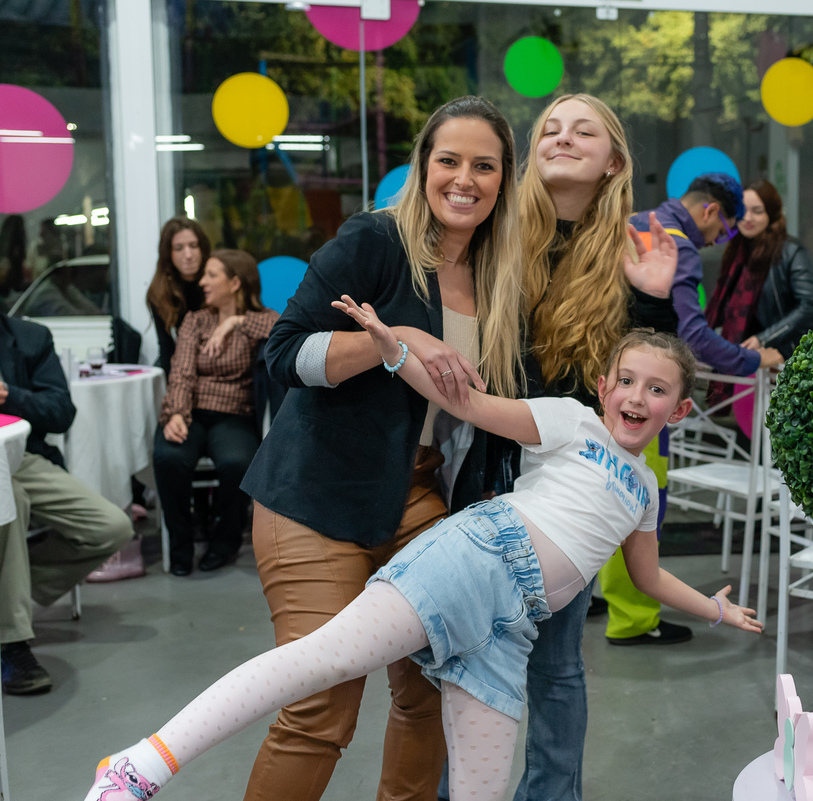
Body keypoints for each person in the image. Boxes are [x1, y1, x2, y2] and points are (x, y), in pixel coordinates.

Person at [80, 326, 763, 801]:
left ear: (681, 406)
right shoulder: (571, 420)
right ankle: (138, 766)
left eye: (657, 389)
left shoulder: (646, 489)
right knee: (320, 660)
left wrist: (717, 608)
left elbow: (646, 575)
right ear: (602, 383)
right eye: (628, 381)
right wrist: (396, 348)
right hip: (477, 557)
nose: (638, 399)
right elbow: (467, 402)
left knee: (479, 787)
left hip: (511, 630)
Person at [235, 96, 526, 801]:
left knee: (432, 686)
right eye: (448, 160)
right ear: (423, 167)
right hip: (317, 495)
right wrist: (388, 341)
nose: (465, 178)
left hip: (420, 497)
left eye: (484, 165)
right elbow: (283, 353)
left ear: (503, 180)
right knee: (320, 704)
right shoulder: (374, 243)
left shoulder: (500, 275)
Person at [503, 93, 681, 801]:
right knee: (459, 659)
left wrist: (655, 302)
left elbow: (646, 377)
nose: (563, 136)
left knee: (554, 663)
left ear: (614, 162)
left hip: (569, 491)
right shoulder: (494, 238)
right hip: (483, 470)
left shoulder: (634, 250)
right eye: (550, 127)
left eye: (584, 130)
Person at [0, 315, 134, 695]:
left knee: (113, 527)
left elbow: (60, 412)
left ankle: (10, 600)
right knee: (11, 503)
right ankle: (12, 643)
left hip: (18, 455)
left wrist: (10, 395)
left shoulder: (28, 337)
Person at [153, 249, 278, 576]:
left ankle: (224, 542)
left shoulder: (262, 318)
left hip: (234, 416)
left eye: (212, 275)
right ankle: (180, 544)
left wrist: (237, 321)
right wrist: (177, 413)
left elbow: (280, 331)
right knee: (169, 458)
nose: (203, 282)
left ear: (235, 282)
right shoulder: (196, 320)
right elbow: (180, 372)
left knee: (236, 464)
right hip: (191, 411)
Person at [631, 172, 786, 376]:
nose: (713, 241)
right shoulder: (680, 250)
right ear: (711, 212)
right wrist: (757, 358)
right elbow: (694, 337)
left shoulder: (636, 222)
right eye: (722, 233)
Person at [705, 180, 813, 407]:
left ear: (772, 214)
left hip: (791, 358)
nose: (748, 218)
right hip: (754, 363)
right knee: (754, 428)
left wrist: (764, 338)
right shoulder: (737, 251)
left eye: (757, 211)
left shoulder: (791, 251)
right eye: (744, 211)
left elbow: (810, 306)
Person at [146, 217, 210, 375]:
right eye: (179, 248)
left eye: (193, 246)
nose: (188, 255)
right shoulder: (160, 292)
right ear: (168, 254)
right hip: (183, 367)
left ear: (202, 248)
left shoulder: (217, 281)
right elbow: (167, 349)